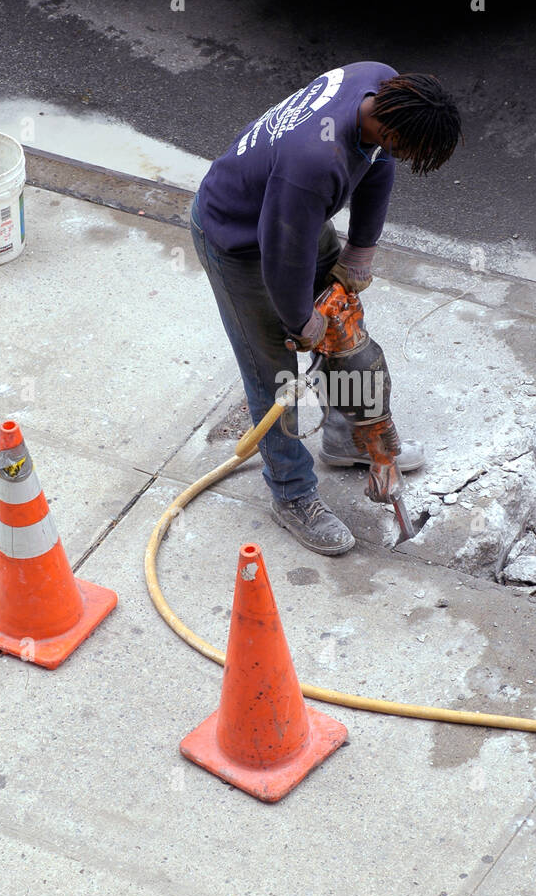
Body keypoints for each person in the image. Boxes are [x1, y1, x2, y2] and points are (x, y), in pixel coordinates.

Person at [190, 61, 461, 555]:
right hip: (239, 237)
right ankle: (292, 494)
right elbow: (280, 256)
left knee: (344, 337)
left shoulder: (380, 84)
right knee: (273, 375)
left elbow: (379, 163)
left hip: (294, 214)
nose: (396, 154)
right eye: (401, 144)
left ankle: (344, 437)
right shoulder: (314, 162)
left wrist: (360, 251)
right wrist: (300, 322)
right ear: (388, 121)